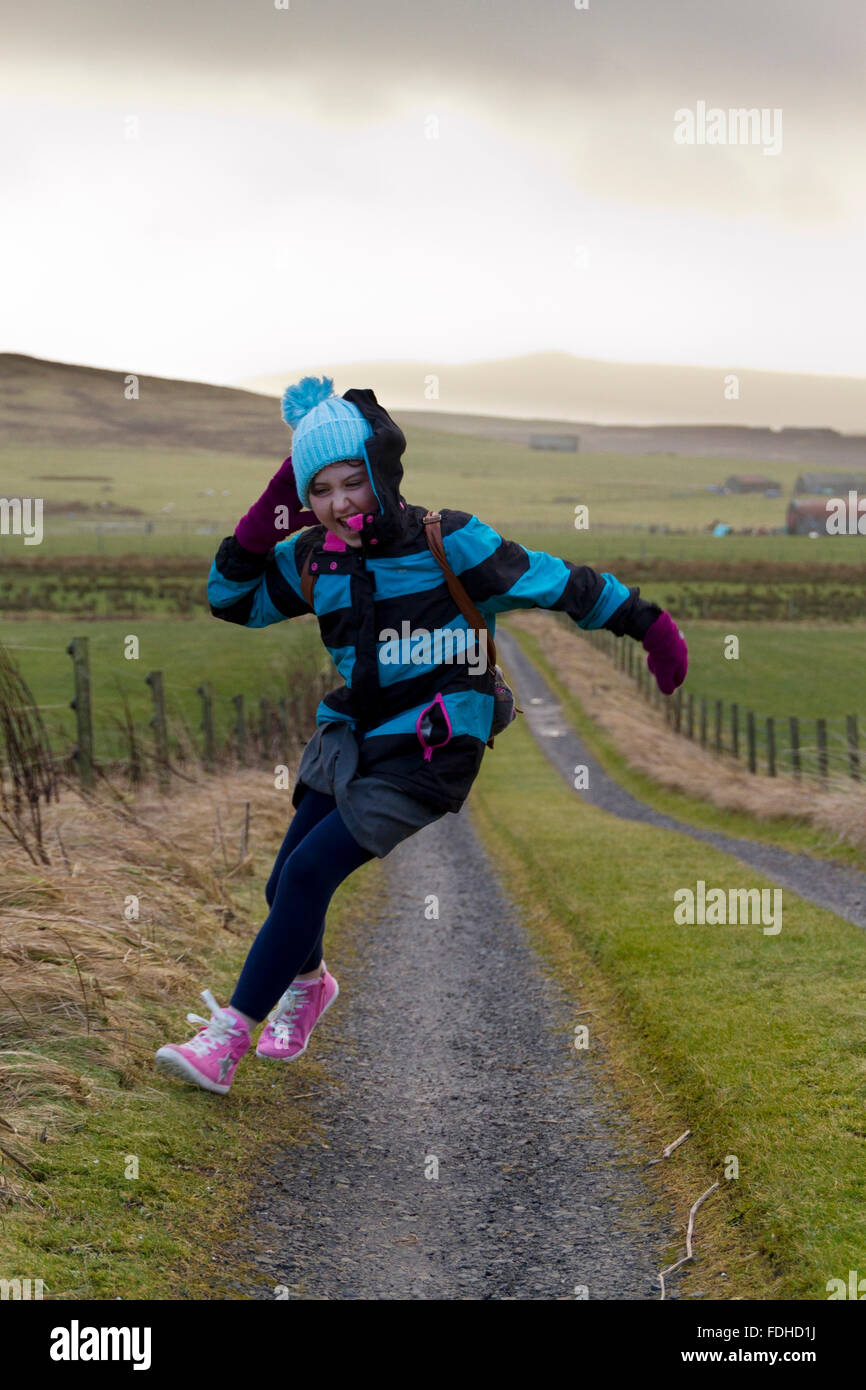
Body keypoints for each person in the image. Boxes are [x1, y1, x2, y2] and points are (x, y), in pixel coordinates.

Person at [154, 376, 687, 1094]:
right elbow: (230, 599)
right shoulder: (317, 557)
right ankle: (310, 986)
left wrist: (649, 625)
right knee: (286, 882)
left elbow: (560, 584)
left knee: (311, 873)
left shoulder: (451, 541)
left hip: (431, 748)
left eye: (353, 482)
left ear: (381, 472)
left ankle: (226, 1042)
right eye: (320, 490)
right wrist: (276, 499)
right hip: (350, 734)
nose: (339, 503)